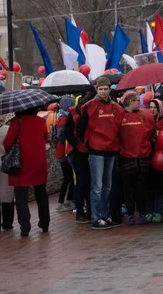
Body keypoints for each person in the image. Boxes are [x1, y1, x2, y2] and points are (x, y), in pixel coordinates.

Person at [78, 77, 126, 230]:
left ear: (109, 89)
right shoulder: (90, 106)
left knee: (107, 186)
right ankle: (96, 217)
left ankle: (104, 216)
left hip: (111, 150)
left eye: (106, 89)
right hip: (96, 150)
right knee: (97, 186)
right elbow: (80, 127)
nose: (103, 91)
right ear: (97, 90)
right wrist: (87, 143)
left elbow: (120, 127)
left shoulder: (115, 107)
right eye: (101, 89)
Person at [4, 107, 49, 237]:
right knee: (41, 194)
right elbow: (46, 138)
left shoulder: (17, 122)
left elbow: (7, 142)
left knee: (21, 196)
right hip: (39, 162)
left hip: (21, 163)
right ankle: (45, 223)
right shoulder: (41, 121)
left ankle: (25, 227)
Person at [118, 91, 155, 225]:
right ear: (128, 102)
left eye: (138, 100)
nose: (138, 102)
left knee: (141, 187)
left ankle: (142, 212)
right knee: (128, 188)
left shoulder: (145, 115)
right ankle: (130, 213)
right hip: (125, 156)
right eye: (135, 100)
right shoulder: (120, 116)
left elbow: (150, 131)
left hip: (143, 155)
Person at [65, 93, 94, 223]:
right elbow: (67, 133)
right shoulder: (72, 112)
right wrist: (78, 146)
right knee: (82, 182)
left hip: (89, 150)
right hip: (77, 152)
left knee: (89, 182)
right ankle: (80, 212)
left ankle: (89, 210)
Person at [55, 97, 75, 212]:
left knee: (69, 177)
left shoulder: (63, 116)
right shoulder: (64, 118)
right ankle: (63, 202)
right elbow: (60, 135)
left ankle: (67, 200)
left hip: (62, 150)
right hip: (64, 151)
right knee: (68, 177)